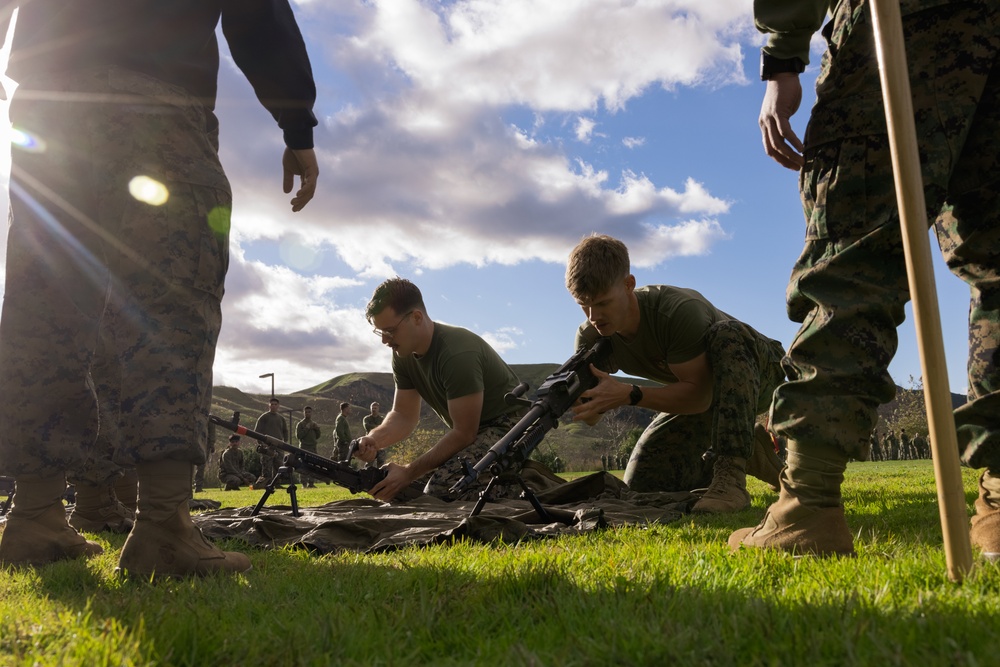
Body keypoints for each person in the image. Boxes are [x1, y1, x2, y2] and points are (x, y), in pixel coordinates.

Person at [0, 1, 319, 577]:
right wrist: (296, 122)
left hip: (48, 105)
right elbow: (259, 12)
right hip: (154, 97)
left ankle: (34, 514)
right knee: (171, 302)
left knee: (44, 303)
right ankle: (164, 525)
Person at [731, 0, 1000, 559]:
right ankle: (999, 504)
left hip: (906, 20)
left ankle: (806, 507)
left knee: (853, 253)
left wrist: (782, 59)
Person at [566, 234, 787, 513]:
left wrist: (629, 394)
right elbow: (593, 418)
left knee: (726, 334)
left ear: (628, 285)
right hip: (699, 395)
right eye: (583, 305)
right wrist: (582, 401)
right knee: (645, 484)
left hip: (760, 376)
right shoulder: (590, 338)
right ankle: (751, 447)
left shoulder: (676, 311)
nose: (593, 316)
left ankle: (731, 479)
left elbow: (700, 397)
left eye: (602, 303)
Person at [354, 277, 526, 501]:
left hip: (510, 429)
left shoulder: (457, 353)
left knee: (441, 490)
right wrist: (374, 439)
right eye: (380, 332)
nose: (385, 340)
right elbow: (403, 416)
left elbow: (465, 433)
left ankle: (524, 484)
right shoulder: (403, 354)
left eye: (390, 331)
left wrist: (409, 472)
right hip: (472, 434)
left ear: (416, 317)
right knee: (400, 488)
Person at [255, 398, 289, 486]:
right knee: (267, 467)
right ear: (269, 405)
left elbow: (285, 431)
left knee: (279, 465)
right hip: (267, 446)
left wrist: (285, 441)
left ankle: (277, 484)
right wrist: (261, 444)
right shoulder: (264, 417)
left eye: (275, 404)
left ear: (278, 406)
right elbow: (257, 431)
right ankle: (266, 484)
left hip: (279, 446)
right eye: (272, 404)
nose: (273, 406)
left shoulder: (281, 418)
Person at [295, 405, 321, 488]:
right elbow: (299, 436)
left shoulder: (314, 424)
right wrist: (306, 428)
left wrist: (317, 429)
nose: (308, 413)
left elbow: (317, 436)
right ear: (304, 413)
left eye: (309, 412)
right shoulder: (300, 424)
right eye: (306, 412)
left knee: (313, 465)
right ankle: (304, 483)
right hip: (304, 447)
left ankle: (311, 483)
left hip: (313, 447)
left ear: (311, 413)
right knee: (303, 465)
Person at [363, 402, 388, 467]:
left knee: (381, 463)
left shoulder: (382, 419)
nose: (374, 409)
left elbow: (384, 429)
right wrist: (378, 427)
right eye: (372, 408)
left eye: (375, 408)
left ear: (378, 409)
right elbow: (367, 427)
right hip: (370, 443)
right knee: (369, 461)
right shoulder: (367, 419)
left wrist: (376, 428)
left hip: (380, 443)